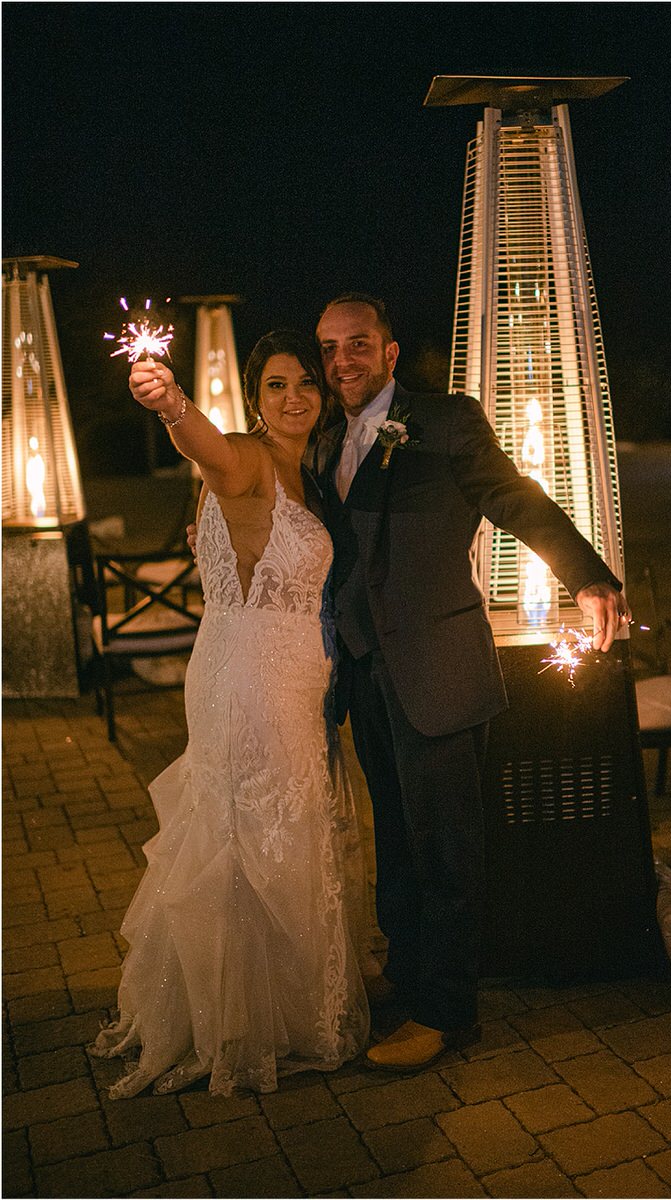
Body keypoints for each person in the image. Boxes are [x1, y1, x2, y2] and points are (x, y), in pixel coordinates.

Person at [310, 293, 630, 1072]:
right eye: (328, 348)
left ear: (389, 353)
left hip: (439, 668)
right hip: (365, 672)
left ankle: (448, 1013)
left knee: (445, 849)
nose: (341, 360)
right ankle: (411, 976)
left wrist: (587, 576)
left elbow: (513, 497)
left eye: (358, 344)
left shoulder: (446, 419)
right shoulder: (321, 439)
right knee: (396, 838)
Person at [89, 330, 374, 1098]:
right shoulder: (246, 458)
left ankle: (272, 1008)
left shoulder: (309, 475)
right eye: (277, 385)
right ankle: (242, 1023)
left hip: (289, 673)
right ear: (255, 398)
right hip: (249, 675)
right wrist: (171, 402)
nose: (294, 398)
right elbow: (205, 449)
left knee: (278, 825)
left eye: (306, 385)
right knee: (250, 833)